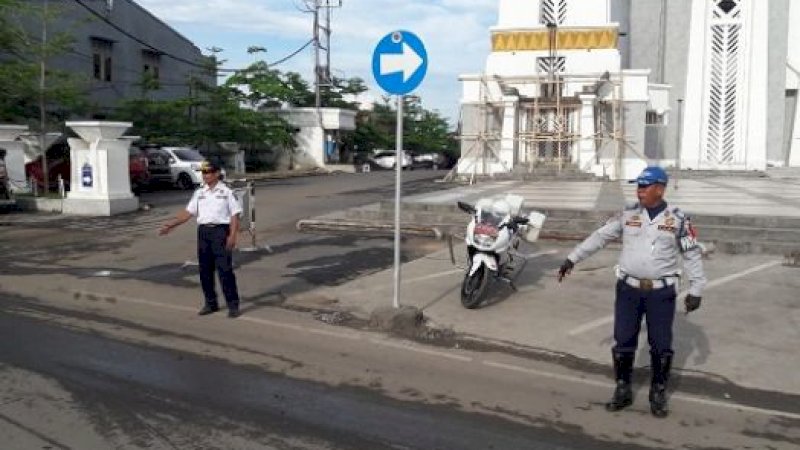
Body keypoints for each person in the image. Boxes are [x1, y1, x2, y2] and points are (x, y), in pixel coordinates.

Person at [557, 166, 706, 418]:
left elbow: (691, 254)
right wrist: (572, 258)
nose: (639, 191)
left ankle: (658, 391)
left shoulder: (678, 219)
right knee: (623, 340)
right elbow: (599, 237)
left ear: (660, 188)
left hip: (661, 293)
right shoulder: (627, 214)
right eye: (638, 186)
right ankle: (623, 387)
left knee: (660, 344)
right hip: (628, 290)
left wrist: (697, 288)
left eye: (644, 186)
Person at [159, 161, 243, 318]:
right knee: (205, 270)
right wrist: (171, 225)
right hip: (204, 233)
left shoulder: (226, 192)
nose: (205, 175)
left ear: (217, 173)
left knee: (225, 270)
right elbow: (188, 213)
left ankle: (233, 305)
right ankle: (210, 303)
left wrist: (232, 235)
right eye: (203, 172)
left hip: (220, 232)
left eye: (208, 172)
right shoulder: (200, 192)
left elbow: (234, 215)